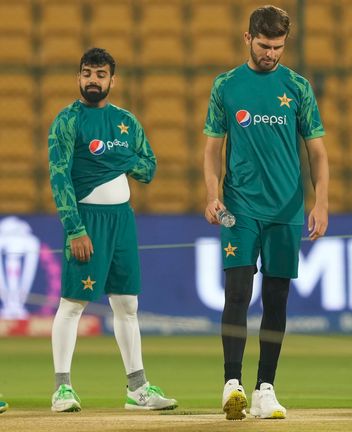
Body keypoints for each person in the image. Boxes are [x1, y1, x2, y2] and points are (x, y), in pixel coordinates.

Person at [202, 5, 329, 421]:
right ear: (247, 39)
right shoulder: (226, 86)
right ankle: (231, 384)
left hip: (287, 210)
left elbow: (317, 152)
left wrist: (321, 201)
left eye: (277, 46)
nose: (270, 53)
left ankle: (265, 389)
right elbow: (212, 148)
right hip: (239, 209)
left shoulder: (297, 86)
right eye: (263, 45)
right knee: (237, 293)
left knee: (276, 300)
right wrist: (212, 193)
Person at [47, 48, 177, 413]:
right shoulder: (67, 120)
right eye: (87, 73)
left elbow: (148, 169)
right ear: (78, 77)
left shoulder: (126, 121)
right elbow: (59, 178)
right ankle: (62, 389)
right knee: (72, 304)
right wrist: (74, 230)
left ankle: (137, 390)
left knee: (128, 305)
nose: (93, 80)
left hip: (122, 220)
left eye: (100, 74)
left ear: (112, 80)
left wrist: (111, 157)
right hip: (86, 220)